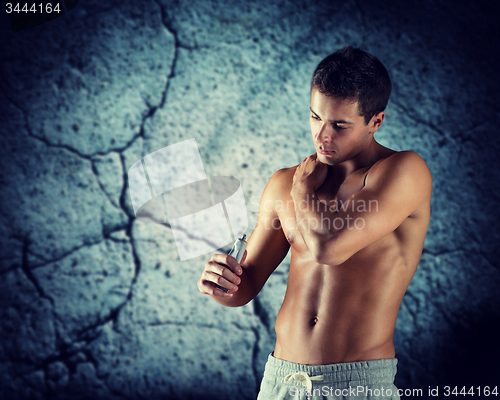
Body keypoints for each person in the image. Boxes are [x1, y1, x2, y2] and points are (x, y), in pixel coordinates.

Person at [198, 46, 432, 399]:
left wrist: (304, 191)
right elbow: (244, 289)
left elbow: (328, 248)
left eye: (339, 125)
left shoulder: (404, 172)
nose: (322, 135)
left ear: (376, 121)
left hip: (357, 383)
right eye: (315, 117)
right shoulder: (284, 182)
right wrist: (221, 283)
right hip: (281, 380)